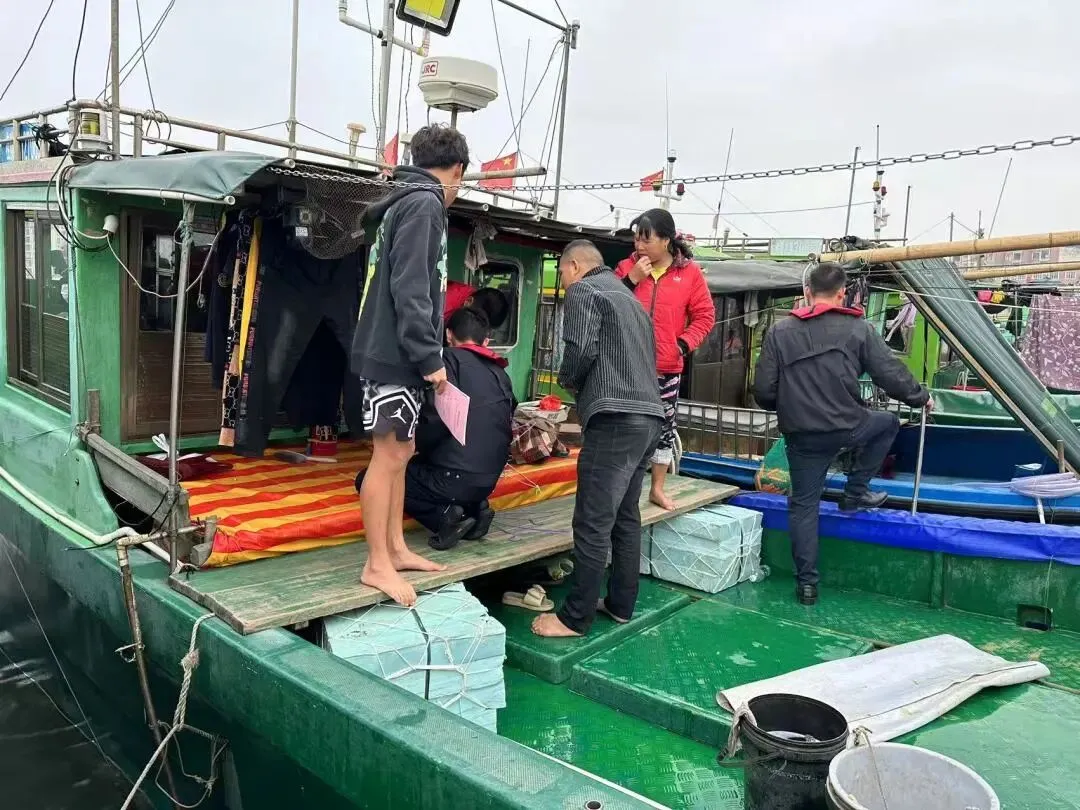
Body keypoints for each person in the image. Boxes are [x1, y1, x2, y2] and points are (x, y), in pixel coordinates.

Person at [752, 261, 932, 606]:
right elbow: (889, 374)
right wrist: (920, 397)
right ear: (842, 294)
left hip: (802, 437)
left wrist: (791, 405)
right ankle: (855, 492)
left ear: (807, 293)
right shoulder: (858, 329)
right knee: (888, 423)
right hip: (848, 427)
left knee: (803, 507)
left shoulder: (780, 331)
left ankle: (807, 586)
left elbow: (763, 391)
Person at [351, 124, 470, 606]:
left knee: (402, 452)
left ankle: (396, 548)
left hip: (388, 350)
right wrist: (428, 356)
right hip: (395, 355)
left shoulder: (404, 198)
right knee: (388, 457)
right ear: (457, 170)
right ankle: (376, 563)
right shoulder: (424, 204)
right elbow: (412, 288)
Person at [532, 240, 664, 638]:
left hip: (615, 418)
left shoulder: (584, 291)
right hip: (649, 417)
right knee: (625, 516)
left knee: (592, 520)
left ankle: (575, 617)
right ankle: (621, 604)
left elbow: (580, 349)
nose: (564, 281)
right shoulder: (630, 300)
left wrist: (568, 382)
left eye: (562, 273)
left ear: (574, 266)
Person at [355, 307, 515, 550]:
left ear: (448, 335)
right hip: (490, 479)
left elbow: (432, 423)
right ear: (485, 340)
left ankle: (445, 517)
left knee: (371, 478)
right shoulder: (500, 372)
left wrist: (406, 444)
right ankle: (477, 508)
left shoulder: (444, 364)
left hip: (453, 478)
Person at [615, 208, 715, 510]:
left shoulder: (690, 273)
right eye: (636, 239)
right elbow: (608, 305)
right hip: (627, 367)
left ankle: (657, 488)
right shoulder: (626, 267)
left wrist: (682, 345)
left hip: (667, 368)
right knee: (625, 428)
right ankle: (621, 490)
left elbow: (705, 315)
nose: (639, 246)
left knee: (663, 430)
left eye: (646, 240)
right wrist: (630, 280)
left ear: (666, 240)